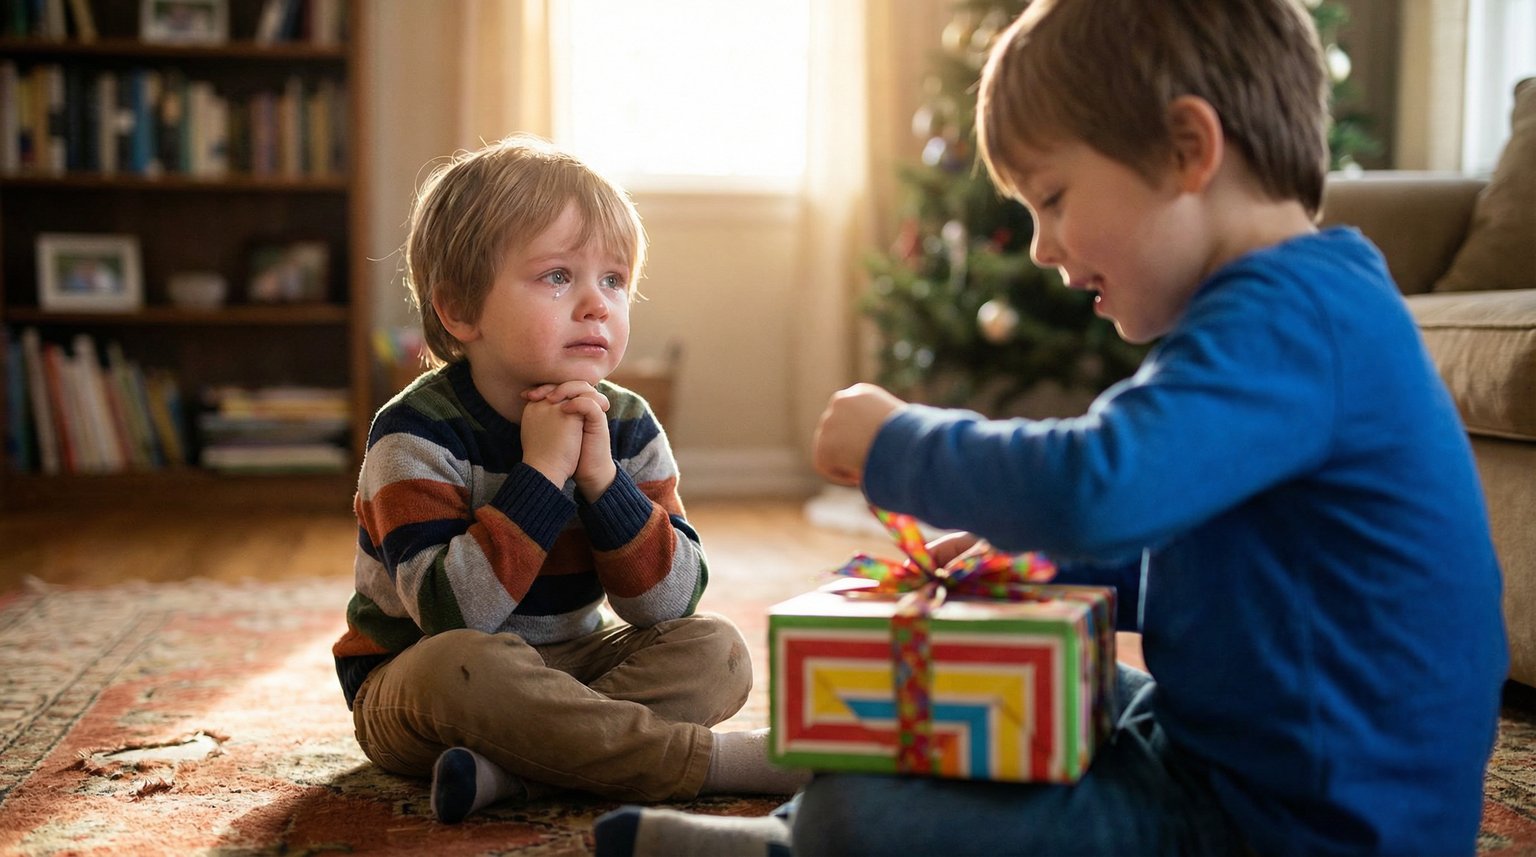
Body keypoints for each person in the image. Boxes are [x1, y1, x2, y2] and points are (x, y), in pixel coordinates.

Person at [593, 0, 1508, 854]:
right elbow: (1220, 557)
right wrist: (1029, 563)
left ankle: (807, 835)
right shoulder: (1309, 306)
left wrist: (896, 440)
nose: (1040, 246)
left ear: (1189, 149)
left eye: (1054, 197)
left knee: (864, 801)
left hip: (1297, 820)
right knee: (999, 685)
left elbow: (1100, 485)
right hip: (1282, 751)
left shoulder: (1287, 321)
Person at [331, 135, 807, 825]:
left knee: (719, 650)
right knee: (465, 664)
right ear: (461, 309)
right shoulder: (415, 432)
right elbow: (452, 616)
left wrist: (603, 479)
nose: (596, 304)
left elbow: (667, 607)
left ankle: (512, 774)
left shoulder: (628, 423)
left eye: (613, 280)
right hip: (426, 683)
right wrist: (541, 472)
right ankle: (714, 762)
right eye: (558, 276)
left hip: (579, 663)